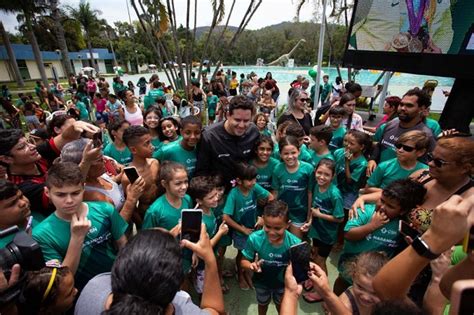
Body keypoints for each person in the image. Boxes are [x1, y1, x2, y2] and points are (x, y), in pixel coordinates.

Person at [75, 227, 225, 315]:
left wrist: (159, 242)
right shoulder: (183, 308)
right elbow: (214, 310)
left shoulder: (94, 286)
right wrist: (210, 260)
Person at [32, 162, 128, 290]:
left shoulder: (105, 210)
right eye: (61, 195)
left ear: (83, 188)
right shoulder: (41, 234)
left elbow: (122, 244)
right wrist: (77, 238)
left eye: (75, 193)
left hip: (118, 280)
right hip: (83, 293)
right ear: (47, 193)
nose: (69, 200)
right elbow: (62, 283)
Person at [334, 179, 427, 295]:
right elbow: (349, 234)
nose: (382, 207)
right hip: (350, 262)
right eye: (381, 200)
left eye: (390, 206)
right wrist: (372, 226)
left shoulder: (402, 224)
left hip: (375, 273)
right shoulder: (365, 211)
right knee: (342, 282)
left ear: (402, 211)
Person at [59, 138, 146, 223]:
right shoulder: (93, 196)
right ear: (86, 167)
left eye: (103, 156)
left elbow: (110, 184)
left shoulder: (99, 175)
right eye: (99, 160)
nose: (105, 160)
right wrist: (131, 198)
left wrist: (119, 176)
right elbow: (117, 227)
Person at [241, 200, 302, 315]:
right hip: (261, 283)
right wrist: (251, 265)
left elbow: (300, 272)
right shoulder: (254, 239)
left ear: (288, 224)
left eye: (277, 228)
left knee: (282, 306)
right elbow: (243, 261)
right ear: (263, 220)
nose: (272, 232)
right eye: (267, 227)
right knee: (262, 304)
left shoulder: (295, 244)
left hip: (283, 285)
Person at [222, 162, 273, 290]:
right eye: (249, 180)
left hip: (255, 230)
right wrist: (242, 230)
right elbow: (226, 217)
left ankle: (248, 272)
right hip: (241, 233)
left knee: (254, 252)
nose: (253, 182)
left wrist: (262, 217)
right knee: (242, 254)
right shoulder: (234, 194)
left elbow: (270, 197)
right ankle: (240, 275)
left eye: (254, 179)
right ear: (239, 181)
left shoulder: (254, 188)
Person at [196, 95, 259, 191]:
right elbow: (201, 173)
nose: (241, 125)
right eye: (237, 120)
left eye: (246, 121)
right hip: (219, 193)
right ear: (228, 115)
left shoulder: (253, 131)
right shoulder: (209, 137)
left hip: (245, 190)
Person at [368, 88, 436, 174]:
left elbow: (428, 166)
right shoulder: (391, 124)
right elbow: (379, 144)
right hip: (377, 175)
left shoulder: (426, 136)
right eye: (401, 104)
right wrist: (372, 159)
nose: (403, 108)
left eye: (409, 105)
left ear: (422, 109)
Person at [187, 176, 229, 293]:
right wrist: (220, 232)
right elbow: (204, 248)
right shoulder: (200, 221)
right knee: (205, 290)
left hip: (209, 258)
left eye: (216, 194)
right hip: (202, 264)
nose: (216, 198)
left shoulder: (209, 208)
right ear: (199, 201)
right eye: (211, 197)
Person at [271, 136, 314, 240]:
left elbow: (310, 193)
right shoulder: (278, 169)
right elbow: (275, 192)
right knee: (280, 241)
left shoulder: (308, 169)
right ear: (280, 154)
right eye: (286, 153)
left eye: (293, 153)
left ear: (299, 152)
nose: (290, 157)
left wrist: (309, 215)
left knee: (296, 243)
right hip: (281, 213)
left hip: (300, 213)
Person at [307, 159, 344, 276]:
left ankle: (323, 288)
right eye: (319, 173)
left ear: (333, 176)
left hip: (327, 235)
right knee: (314, 255)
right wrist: (309, 222)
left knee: (320, 261)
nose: (322, 177)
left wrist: (320, 215)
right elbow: (314, 209)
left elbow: (340, 218)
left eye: (327, 174)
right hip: (316, 231)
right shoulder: (316, 187)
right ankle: (315, 281)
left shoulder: (334, 194)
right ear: (315, 171)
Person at [365, 130, 429, 193]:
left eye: (407, 148)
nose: (400, 150)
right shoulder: (384, 166)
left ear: (421, 152)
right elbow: (367, 189)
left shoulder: (425, 171)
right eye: (398, 146)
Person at [122, 125, 159, 227]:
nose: (152, 146)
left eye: (150, 142)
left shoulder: (155, 163)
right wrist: (142, 225)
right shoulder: (127, 178)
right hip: (145, 215)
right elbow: (132, 207)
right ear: (133, 150)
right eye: (147, 144)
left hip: (160, 211)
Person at [142, 161, 192, 232]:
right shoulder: (155, 211)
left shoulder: (187, 199)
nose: (184, 187)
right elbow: (147, 237)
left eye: (186, 181)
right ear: (164, 184)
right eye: (178, 183)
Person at [334, 130, 371, 209]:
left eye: (352, 144)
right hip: (336, 187)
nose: (347, 145)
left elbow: (349, 181)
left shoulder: (362, 163)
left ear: (361, 147)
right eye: (346, 141)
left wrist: (347, 162)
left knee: (345, 210)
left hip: (349, 192)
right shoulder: (339, 152)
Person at [0, 180, 32, 247]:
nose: (23, 203)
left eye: (21, 196)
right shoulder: (3, 249)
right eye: (12, 203)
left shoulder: (39, 213)